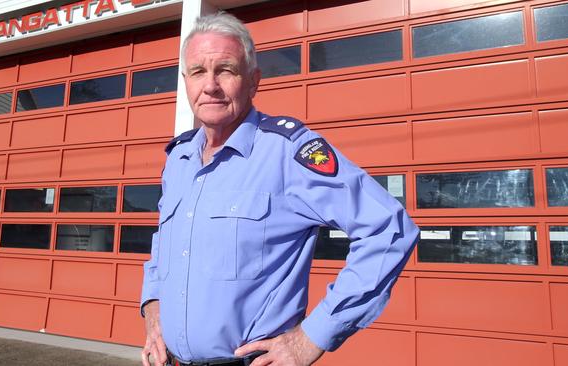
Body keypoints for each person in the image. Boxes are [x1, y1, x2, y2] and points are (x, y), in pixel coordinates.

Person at [140, 11, 419, 366]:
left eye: (225, 70)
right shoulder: (179, 159)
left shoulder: (287, 152)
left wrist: (312, 337)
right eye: (197, 72)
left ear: (253, 81)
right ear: (186, 82)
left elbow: (388, 230)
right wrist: (152, 306)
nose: (210, 85)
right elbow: (164, 244)